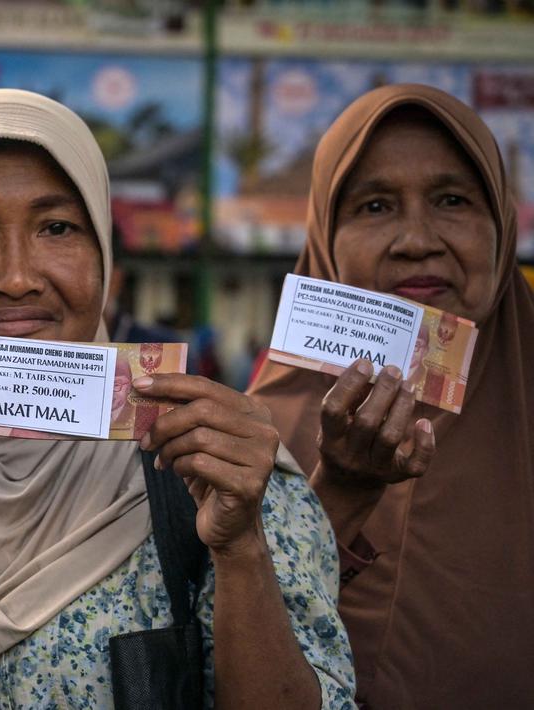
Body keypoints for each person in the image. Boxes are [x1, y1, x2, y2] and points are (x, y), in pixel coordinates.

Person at [0, 89, 354, 708]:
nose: (16, 277)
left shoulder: (220, 468)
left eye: (57, 227)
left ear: (104, 259)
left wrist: (240, 546)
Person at [249, 84, 534, 707]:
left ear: (502, 227)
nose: (415, 240)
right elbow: (225, 646)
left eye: (452, 200)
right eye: (375, 207)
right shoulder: (252, 438)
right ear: (325, 235)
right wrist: (337, 493)